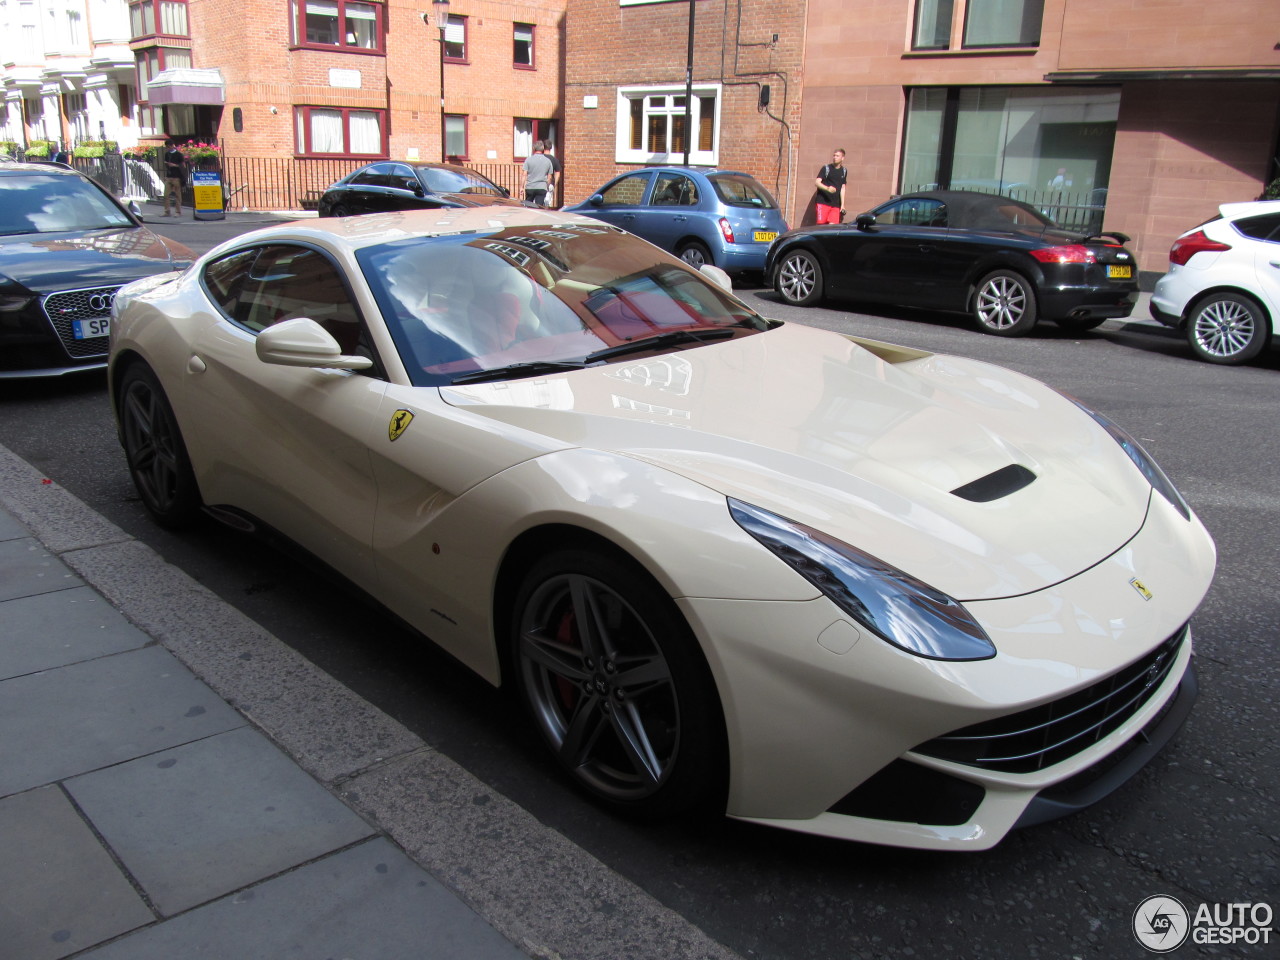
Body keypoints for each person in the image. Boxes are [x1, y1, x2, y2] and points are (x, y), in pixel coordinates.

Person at [814, 148, 847, 224]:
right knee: (821, 225)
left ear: (842, 158)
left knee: (832, 228)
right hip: (823, 202)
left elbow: (843, 188)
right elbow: (817, 183)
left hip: (835, 204)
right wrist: (827, 188)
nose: (835, 157)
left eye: (837, 156)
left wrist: (842, 205)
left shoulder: (844, 171)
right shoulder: (826, 168)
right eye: (834, 155)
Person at [523, 140, 554, 208]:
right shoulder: (548, 161)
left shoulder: (528, 160)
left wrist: (521, 187)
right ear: (543, 148)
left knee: (528, 207)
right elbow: (550, 177)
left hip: (530, 187)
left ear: (534, 148)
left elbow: (524, 174)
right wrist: (547, 186)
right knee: (539, 207)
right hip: (541, 187)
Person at [163, 140, 185, 216]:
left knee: (177, 195)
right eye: (167, 147)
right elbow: (166, 163)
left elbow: (183, 166)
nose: (168, 148)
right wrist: (167, 164)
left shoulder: (179, 154)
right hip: (169, 176)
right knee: (166, 195)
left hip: (177, 177)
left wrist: (174, 165)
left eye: (169, 146)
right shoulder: (167, 154)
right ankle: (167, 211)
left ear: (173, 145)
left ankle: (178, 212)